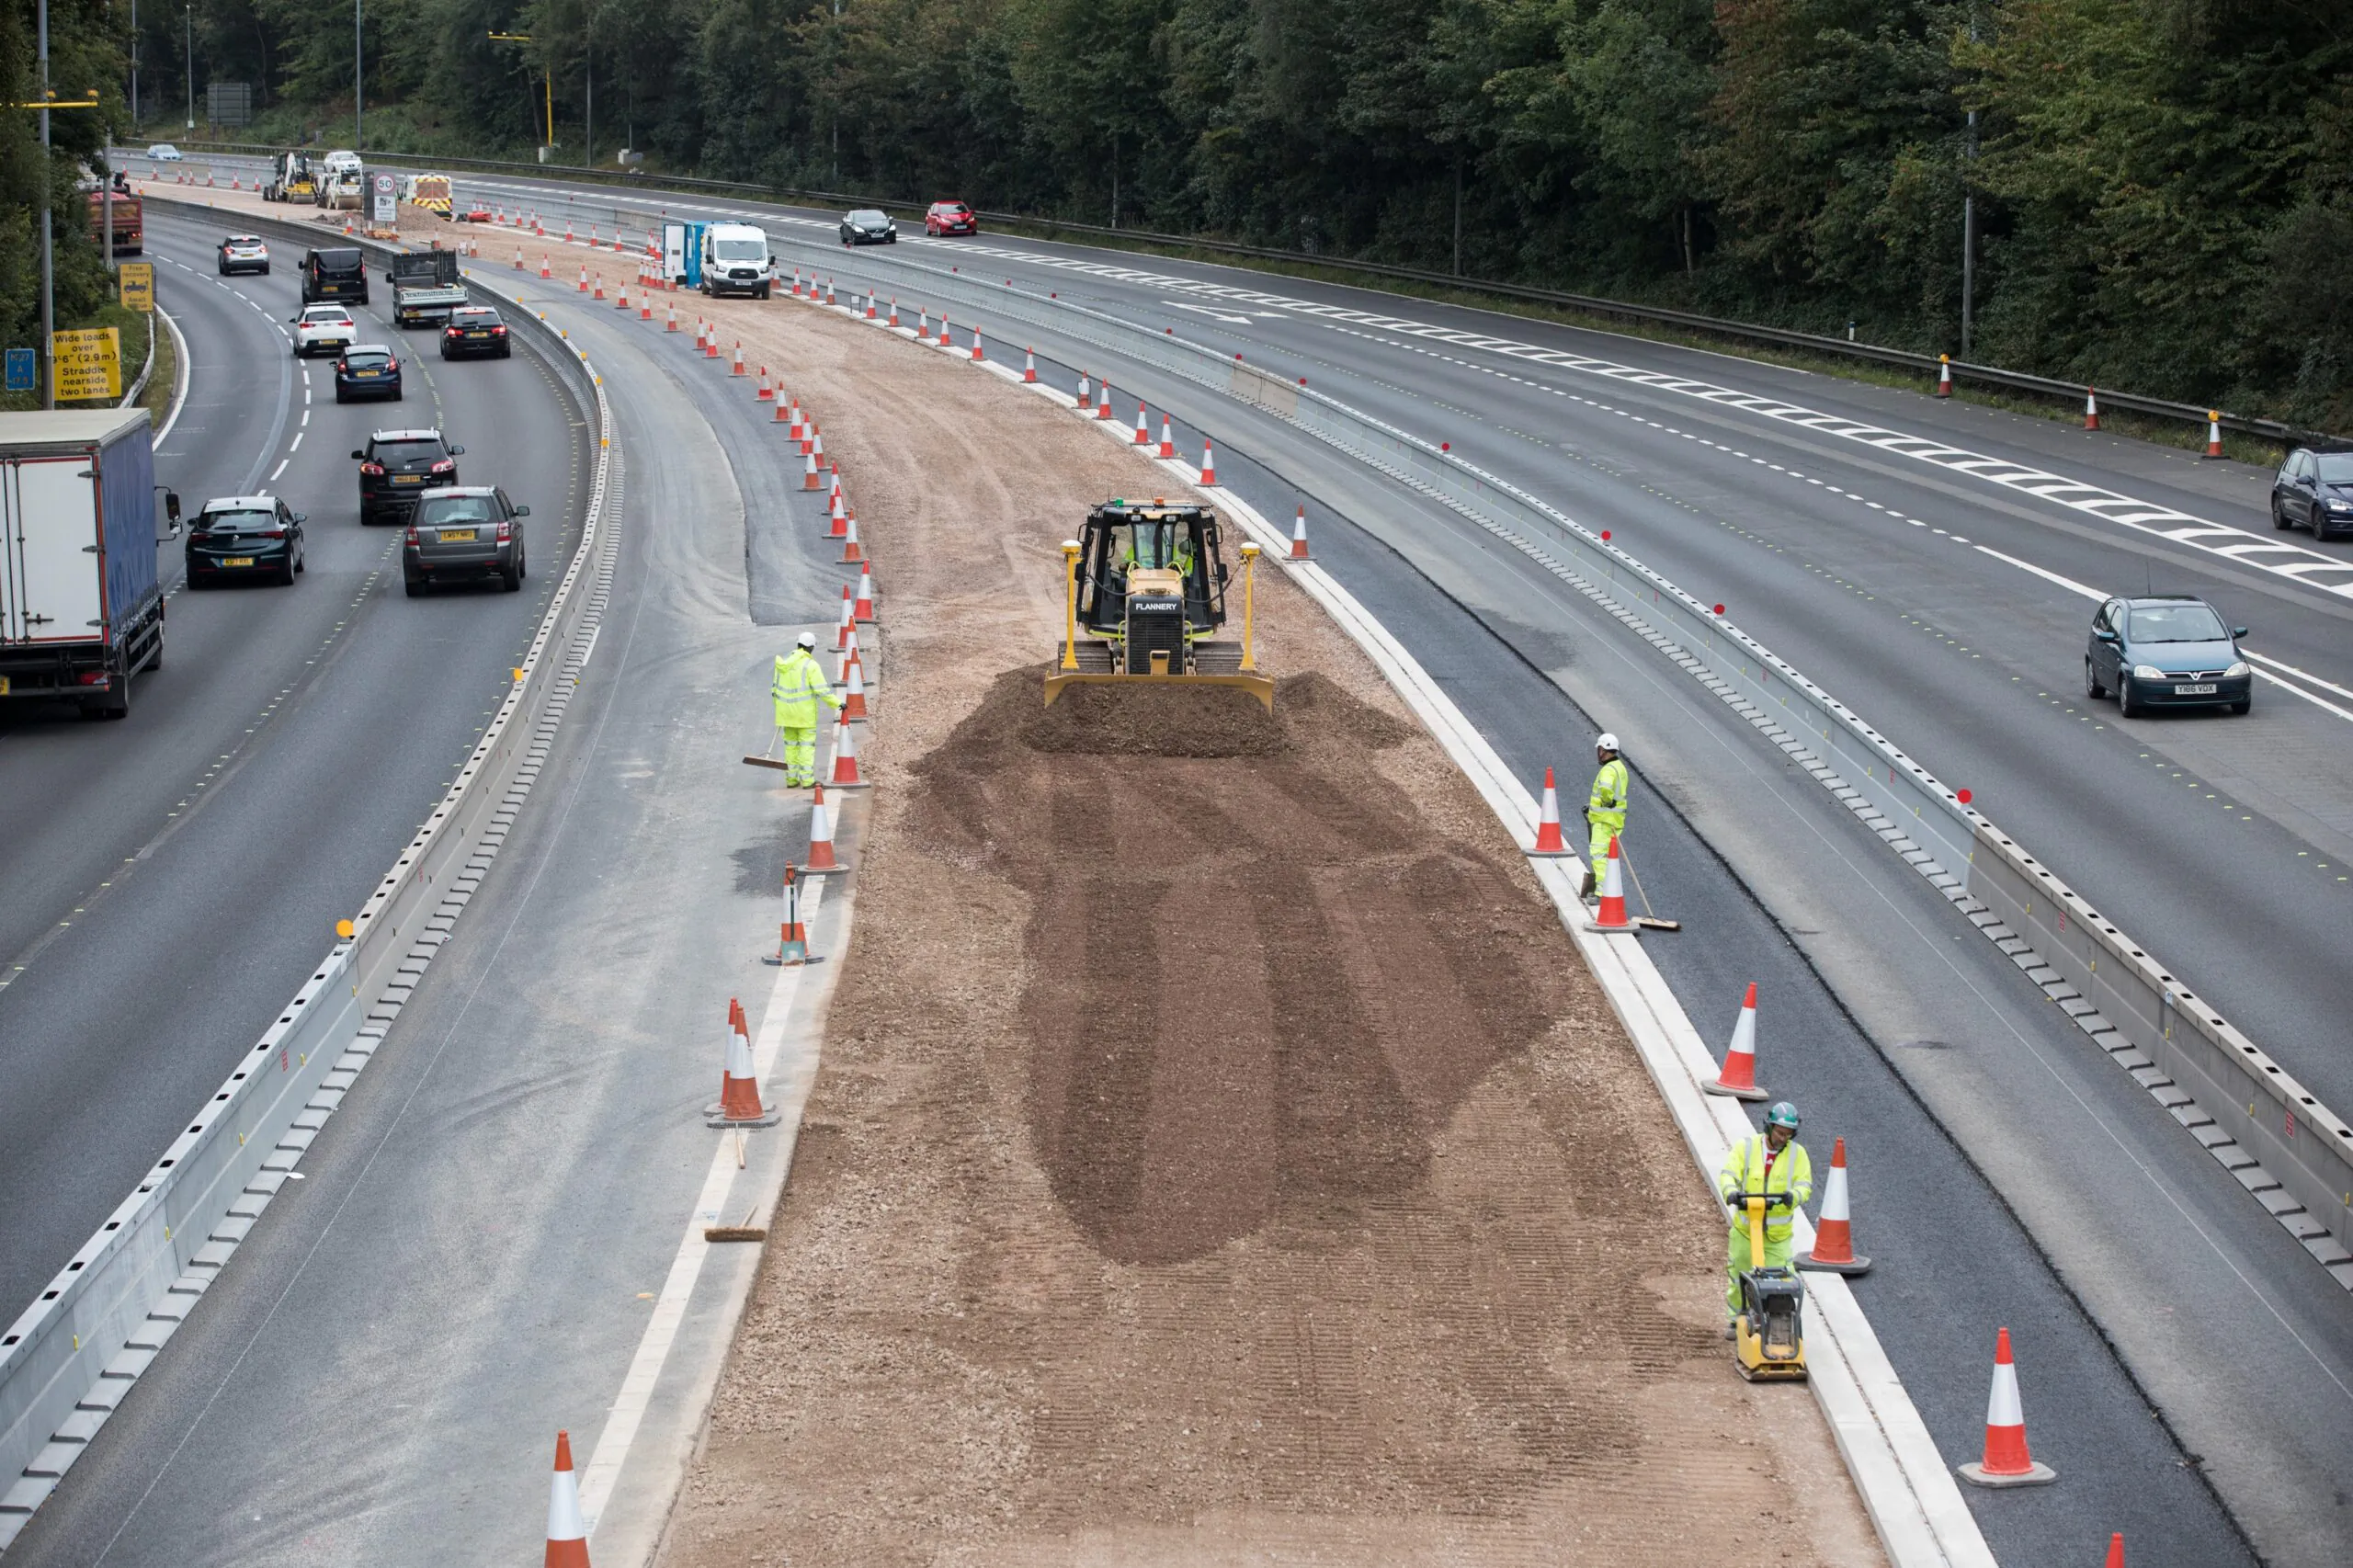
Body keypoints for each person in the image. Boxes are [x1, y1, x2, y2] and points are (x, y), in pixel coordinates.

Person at [1717, 1101, 1813, 1336]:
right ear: (1769, 1127)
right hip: (1746, 1231)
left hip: (1776, 1236)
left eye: (1788, 1134)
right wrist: (1731, 1192)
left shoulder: (1797, 1154)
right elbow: (1729, 1174)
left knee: (1781, 1281)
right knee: (1740, 1273)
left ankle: (1778, 1325)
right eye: (1780, 1132)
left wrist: (1794, 1196)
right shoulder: (1746, 1148)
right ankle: (1736, 1319)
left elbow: (1804, 1183)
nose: (1783, 1138)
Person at [769, 631, 842, 787]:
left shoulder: (782, 664)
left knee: (790, 748)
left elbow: (774, 691)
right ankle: (807, 780)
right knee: (806, 748)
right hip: (804, 716)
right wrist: (838, 704)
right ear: (811, 648)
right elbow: (822, 690)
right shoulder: (811, 665)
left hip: (786, 715)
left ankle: (791, 779)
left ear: (798, 644)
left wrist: (781, 711)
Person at [1582, 732, 1629, 900]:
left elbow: (1606, 789)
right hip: (1615, 820)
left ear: (1602, 750)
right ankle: (1607, 886)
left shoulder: (1608, 770)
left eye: (1599, 750)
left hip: (1604, 820)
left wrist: (1606, 801)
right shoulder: (1620, 768)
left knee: (1599, 854)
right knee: (1607, 856)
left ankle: (1601, 893)